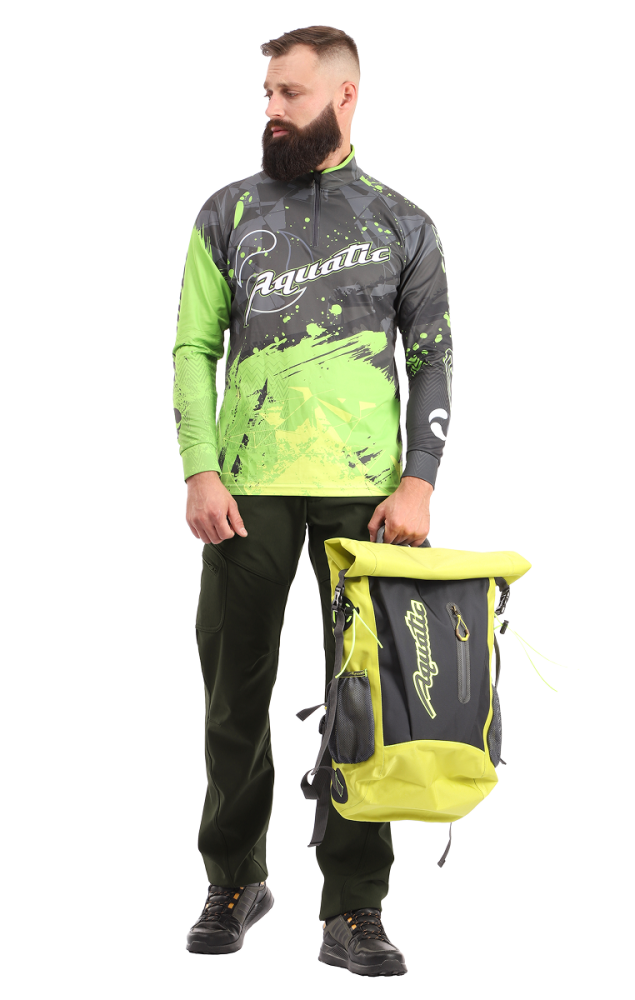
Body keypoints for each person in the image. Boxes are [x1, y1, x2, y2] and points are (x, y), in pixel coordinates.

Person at [171, 25, 452, 977]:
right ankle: (234, 880)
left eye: (289, 93)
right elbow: (193, 347)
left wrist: (418, 480)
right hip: (245, 490)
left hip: (369, 501)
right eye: (268, 93)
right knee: (233, 693)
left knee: (366, 704)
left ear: (344, 96)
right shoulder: (227, 213)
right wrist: (200, 468)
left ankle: (355, 908)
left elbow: (434, 357)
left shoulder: (403, 222)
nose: (272, 109)